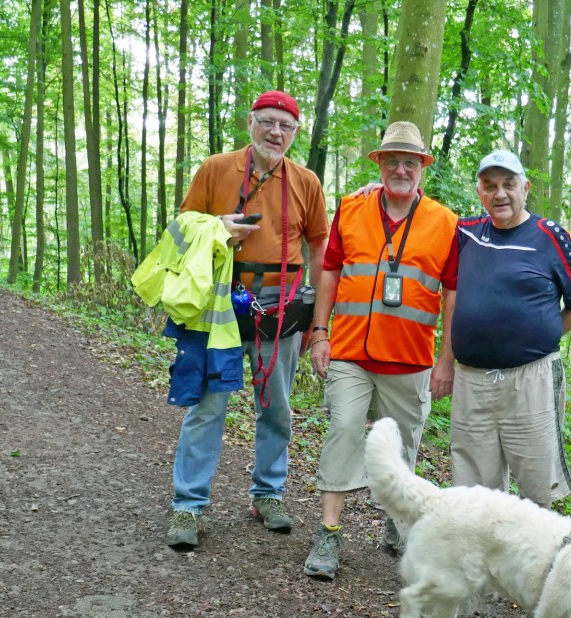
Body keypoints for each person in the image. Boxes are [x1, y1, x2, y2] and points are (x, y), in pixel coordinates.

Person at [165, 91, 329, 551]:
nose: (276, 133)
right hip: (219, 300)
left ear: (296, 133)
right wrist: (219, 227)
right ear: (251, 122)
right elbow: (181, 228)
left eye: (286, 126)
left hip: (281, 306)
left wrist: (317, 314)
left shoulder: (306, 182)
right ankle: (189, 503)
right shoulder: (216, 169)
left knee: (275, 405)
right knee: (209, 403)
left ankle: (268, 494)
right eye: (268, 122)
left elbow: (320, 248)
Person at [305, 121, 459, 579]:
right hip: (350, 350)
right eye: (392, 160)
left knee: (404, 446)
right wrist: (318, 332)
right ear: (379, 163)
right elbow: (330, 270)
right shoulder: (351, 209)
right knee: (344, 431)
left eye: (409, 162)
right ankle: (329, 534)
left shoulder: (445, 222)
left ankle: (398, 520)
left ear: (422, 170)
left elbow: (453, 293)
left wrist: (446, 358)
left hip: (410, 358)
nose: (400, 169)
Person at [451, 150, 571, 508]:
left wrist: (542, 335)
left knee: (536, 486)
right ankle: (482, 562)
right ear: (480, 192)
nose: (500, 194)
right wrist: (379, 190)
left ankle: (534, 562)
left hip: (531, 380)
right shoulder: (466, 233)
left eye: (509, 184)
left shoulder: (548, 235)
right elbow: (417, 218)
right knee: (474, 491)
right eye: (490, 186)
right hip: (471, 382)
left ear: (525, 188)